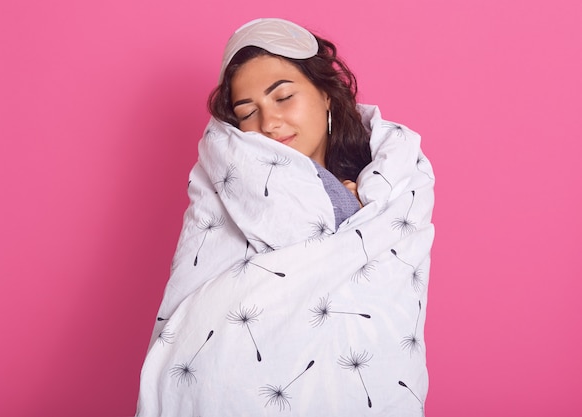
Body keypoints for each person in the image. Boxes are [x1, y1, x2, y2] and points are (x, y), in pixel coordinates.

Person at [137, 18, 435, 417]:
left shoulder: (393, 172)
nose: (269, 123)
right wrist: (343, 209)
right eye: (248, 111)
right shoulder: (227, 180)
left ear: (326, 94)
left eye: (283, 97)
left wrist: (357, 209)